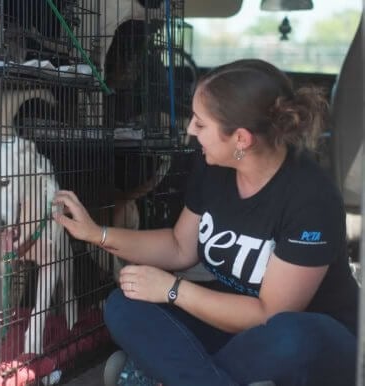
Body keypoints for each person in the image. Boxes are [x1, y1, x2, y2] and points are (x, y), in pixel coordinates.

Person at [53, 59, 358, 386]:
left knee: (293, 334)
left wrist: (172, 289)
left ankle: (168, 373)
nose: (190, 131)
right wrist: (95, 233)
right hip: (230, 325)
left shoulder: (310, 197)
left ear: (240, 138)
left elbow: (268, 314)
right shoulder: (213, 166)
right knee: (124, 302)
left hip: (304, 338)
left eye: (200, 123)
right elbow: (179, 246)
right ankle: (193, 375)